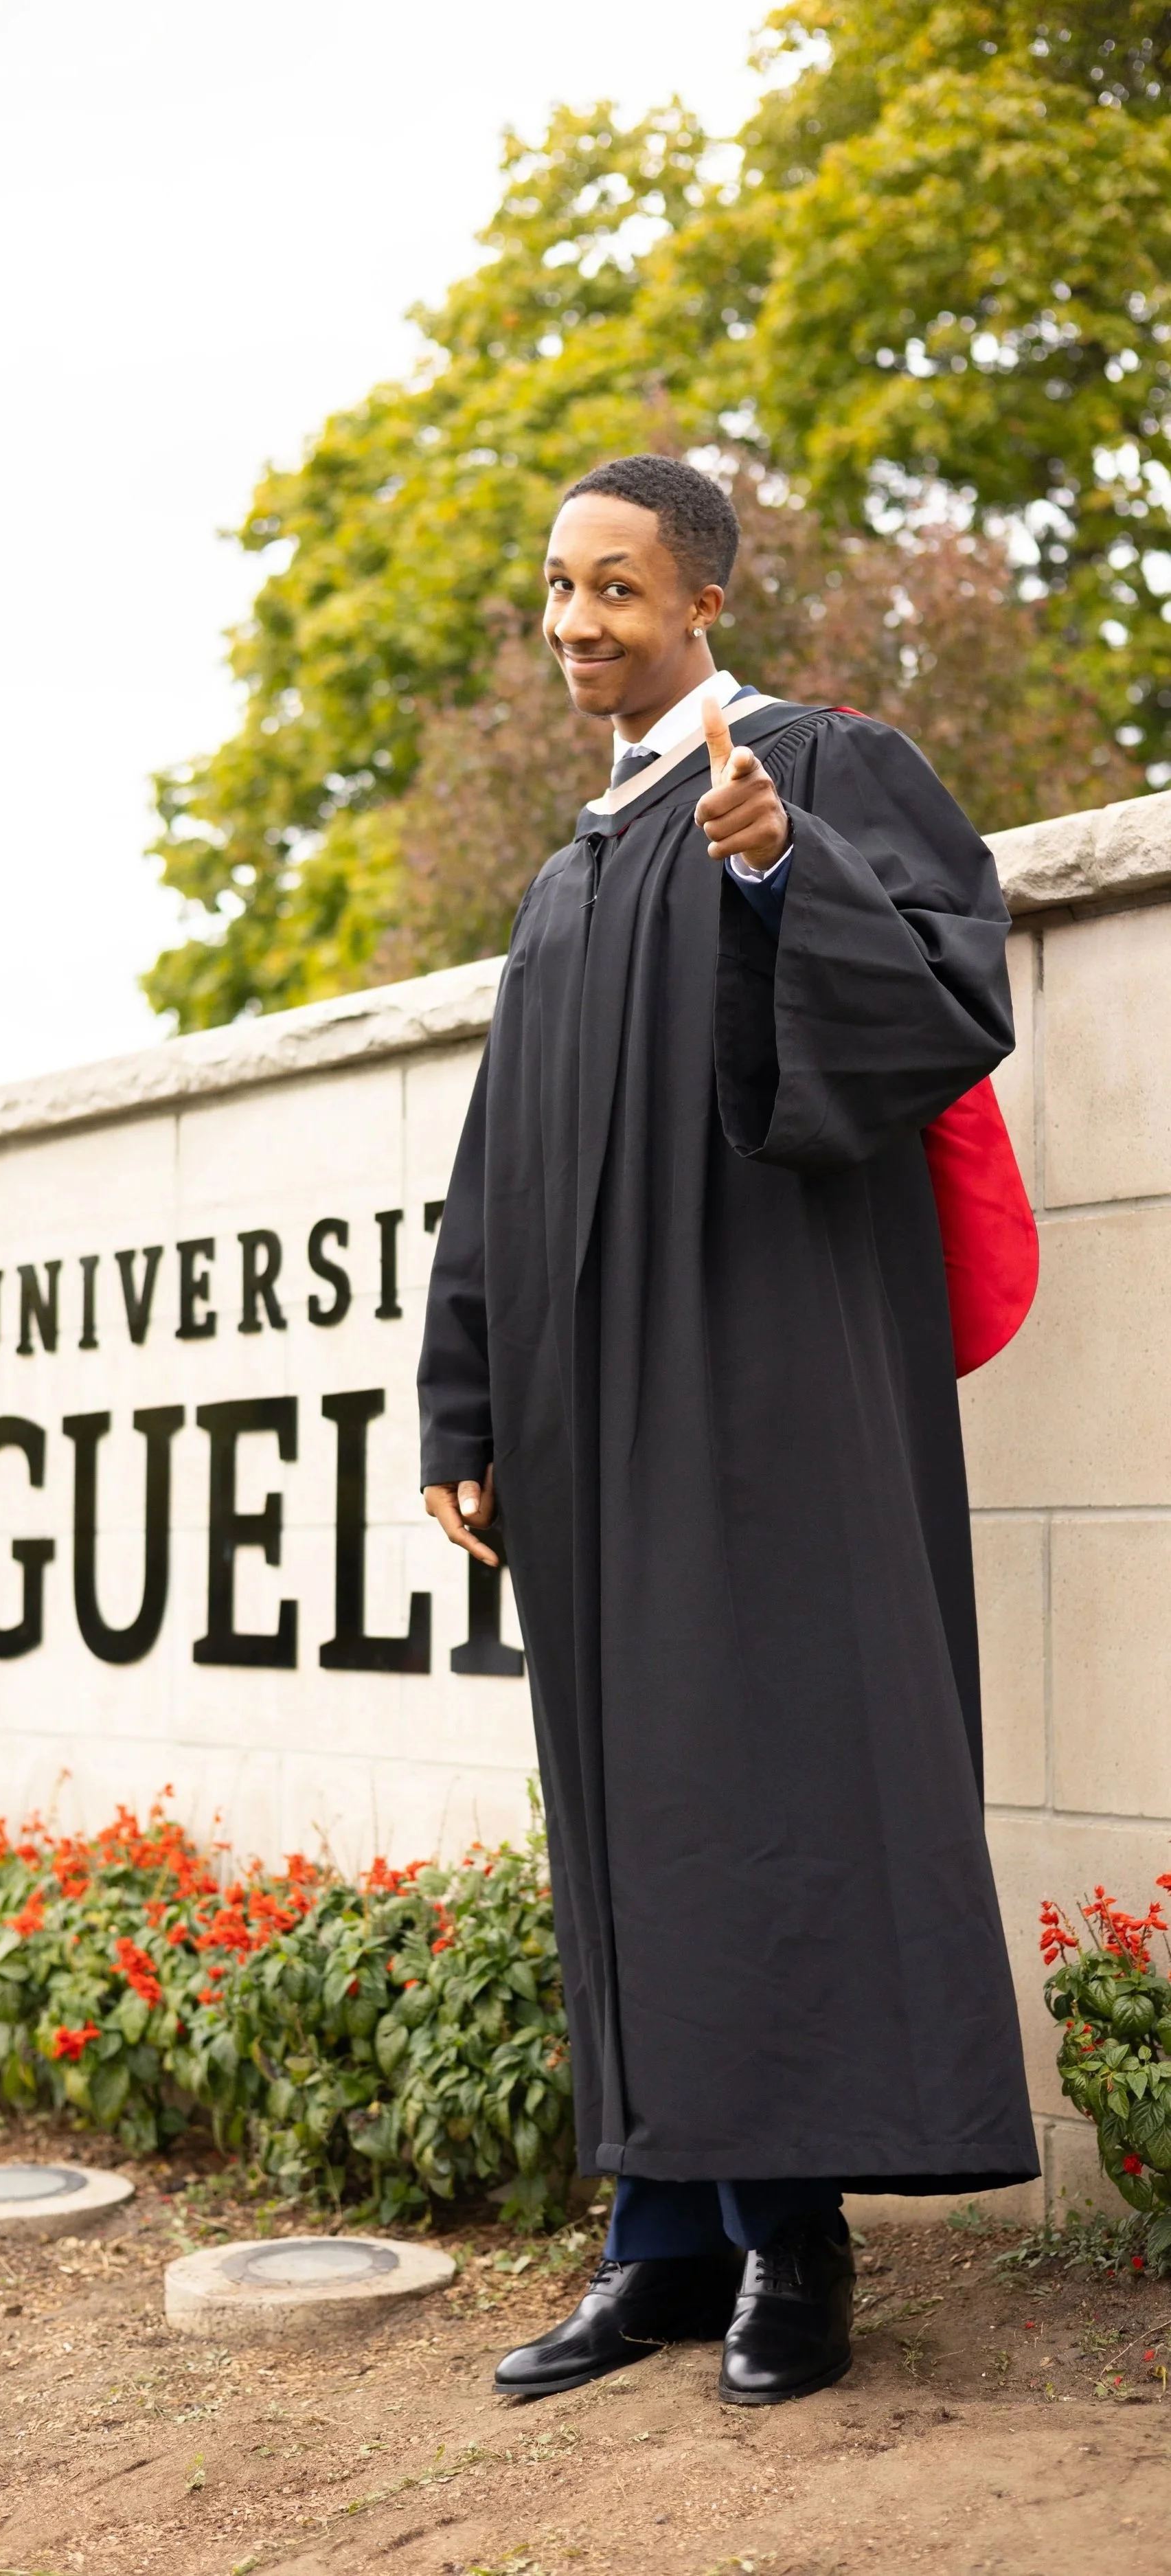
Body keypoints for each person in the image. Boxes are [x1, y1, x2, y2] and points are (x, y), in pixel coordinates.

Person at [417, 453, 1038, 2408]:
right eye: (554, 587)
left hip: (766, 1392)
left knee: (758, 1776)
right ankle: (662, 2243)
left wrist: (777, 868)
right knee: (633, 1798)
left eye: (614, 588)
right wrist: (463, 1393)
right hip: (590, 1425)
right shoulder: (569, 862)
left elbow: (948, 999)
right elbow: (495, 1154)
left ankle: (795, 2250)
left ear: (697, 601)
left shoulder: (824, 769)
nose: (574, 621)